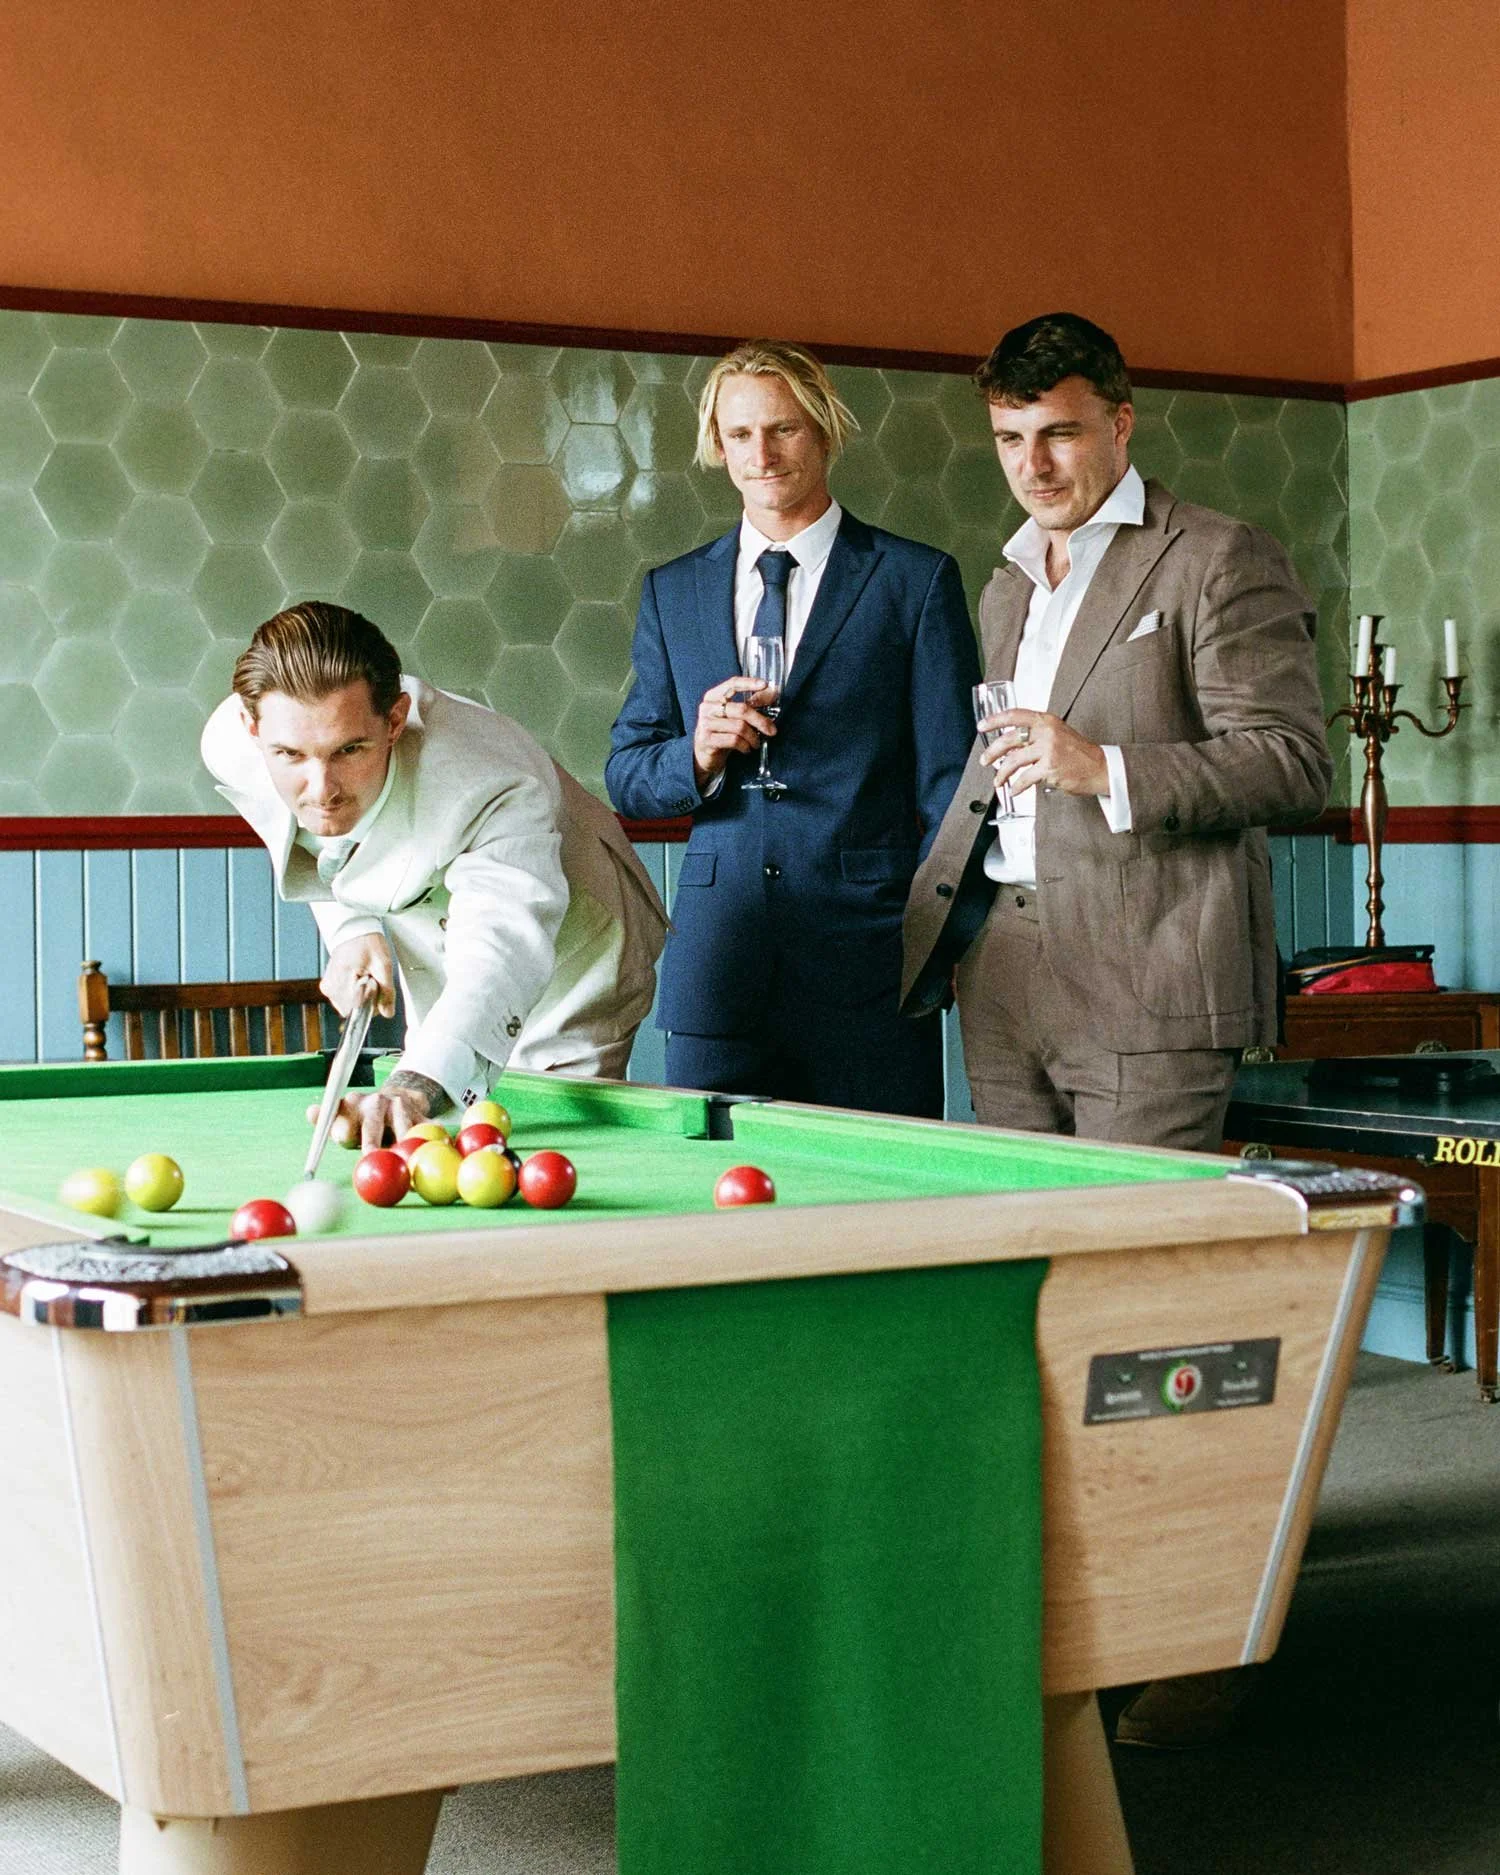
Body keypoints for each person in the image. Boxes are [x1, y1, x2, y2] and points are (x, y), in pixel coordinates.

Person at [901, 311, 1332, 1747]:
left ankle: (1197, 1633)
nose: (1038, 464)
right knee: (1030, 1305)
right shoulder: (1007, 584)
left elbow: (1294, 757)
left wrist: (1109, 766)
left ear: (1124, 421)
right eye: (1014, 440)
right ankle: (1064, 1620)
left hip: (1153, 979)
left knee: (1149, 1313)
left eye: (1063, 433)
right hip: (1008, 974)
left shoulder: (1214, 556)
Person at [606, 339, 978, 1116]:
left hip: (871, 962)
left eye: (784, 429)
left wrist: (939, 948)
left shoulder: (915, 580)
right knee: (713, 1213)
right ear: (717, 445)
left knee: (878, 1211)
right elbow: (628, 773)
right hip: (719, 962)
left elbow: (955, 790)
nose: (763, 454)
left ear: (825, 429)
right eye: (740, 435)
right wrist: (695, 755)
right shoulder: (673, 590)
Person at [203, 601, 667, 1145]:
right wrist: (353, 930)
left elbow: (500, 952)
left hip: (571, 943)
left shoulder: (491, 785)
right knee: (438, 1098)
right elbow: (312, 833)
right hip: (429, 915)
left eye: (349, 750)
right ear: (252, 730)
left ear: (395, 719)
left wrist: (414, 1087)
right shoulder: (234, 746)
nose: (321, 786)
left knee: (533, 1137)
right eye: (289, 754)